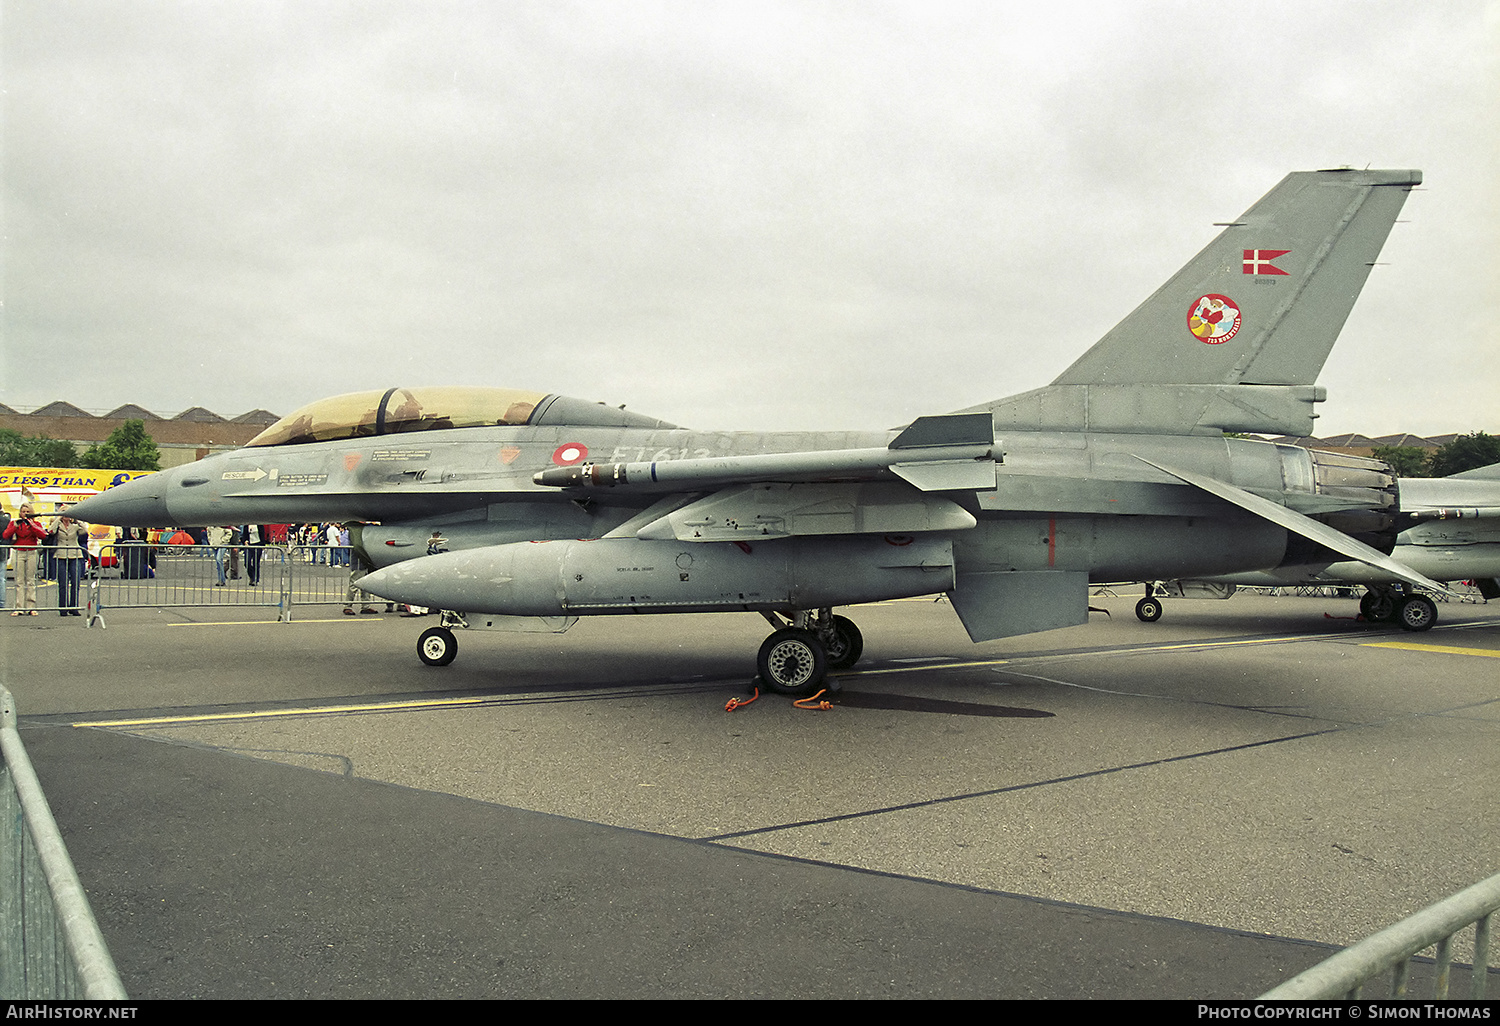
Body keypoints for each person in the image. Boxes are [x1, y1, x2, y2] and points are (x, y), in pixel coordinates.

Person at [3, 504, 49, 615]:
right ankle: (19, 607)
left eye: (28, 511)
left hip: (31, 552)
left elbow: (43, 535)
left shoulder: (36, 524)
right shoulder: (15, 523)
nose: (25, 513)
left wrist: (31, 524)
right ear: (20, 513)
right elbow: (5, 535)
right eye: (23, 511)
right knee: (19, 580)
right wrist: (14, 526)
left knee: (30, 580)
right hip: (19, 552)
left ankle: (31, 607)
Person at [50, 508, 89, 616]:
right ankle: (63, 608)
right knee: (63, 583)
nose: (67, 515)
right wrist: (58, 518)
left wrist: (77, 518)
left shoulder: (75, 526)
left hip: (75, 555)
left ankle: (74, 607)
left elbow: (84, 530)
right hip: (61, 554)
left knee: (75, 582)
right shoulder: (58, 525)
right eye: (64, 513)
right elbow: (51, 531)